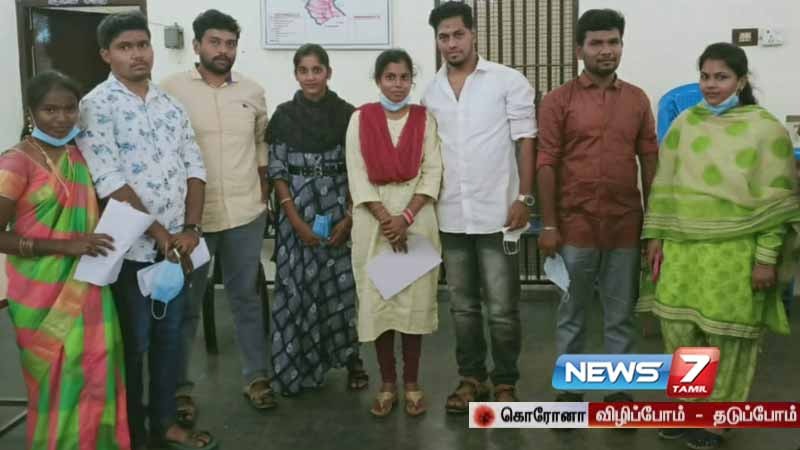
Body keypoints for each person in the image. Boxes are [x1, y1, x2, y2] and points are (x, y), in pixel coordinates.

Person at [644, 42, 800, 449]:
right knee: (681, 331)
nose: (711, 85)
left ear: (741, 81)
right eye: (705, 76)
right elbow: (664, 185)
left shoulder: (765, 130)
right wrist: (656, 237)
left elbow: (778, 204)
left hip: (736, 252)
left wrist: (766, 259)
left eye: (721, 77)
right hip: (683, 249)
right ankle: (688, 409)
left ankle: (718, 421)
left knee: (728, 339)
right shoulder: (685, 124)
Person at [76, 12, 217, 450]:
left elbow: (195, 167)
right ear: (106, 54)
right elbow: (109, 182)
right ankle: (131, 431)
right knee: (134, 344)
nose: (137, 54)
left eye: (142, 44)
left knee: (170, 340)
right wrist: (160, 234)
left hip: (176, 249)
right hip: (130, 252)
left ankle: (165, 422)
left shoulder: (169, 104)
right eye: (125, 47)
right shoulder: (95, 106)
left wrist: (191, 228)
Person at [0, 70, 130, 450]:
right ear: (31, 112)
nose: (60, 118)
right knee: (59, 377)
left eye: (69, 109)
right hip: (39, 292)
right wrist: (65, 246)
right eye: (49, 110)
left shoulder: (81, 156)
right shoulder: (15, 163)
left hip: (89, 280)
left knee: (97, 366)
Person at [536, 9, 658, 404]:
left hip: (625, 225)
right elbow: (546, 163)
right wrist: (549, 225)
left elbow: (650, 163)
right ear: (579, 50)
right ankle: (571, 390)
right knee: (572, 314)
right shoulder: (558, 100)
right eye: (596, 43)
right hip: (575, 226)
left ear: (621, 45)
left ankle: (619, 392)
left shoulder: (637, 99)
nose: (606, 50)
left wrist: (654, 227)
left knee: (620, 315)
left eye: (613, 42)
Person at [160, 9, 275, 420]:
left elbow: (261, 143)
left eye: (230, 43)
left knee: (247, 298)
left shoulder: (253, 91)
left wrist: (263, 190)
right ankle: (179, 390)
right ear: (196, 45)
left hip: (245, 212)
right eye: (215, 42)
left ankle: (256, 377)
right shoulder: (170, 90)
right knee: (187, 305)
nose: (223, 50)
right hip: (194, 220)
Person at [422, 1, 536, 411]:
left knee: (502, 309)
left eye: (458, 34)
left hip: (498, 215)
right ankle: (471, 378)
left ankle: (505, 382)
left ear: (473, 34)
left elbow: (526, 141)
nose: (451, 43)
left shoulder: (507, 81)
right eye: (444, 37)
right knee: (463, 307)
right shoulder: (430, 92)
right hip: (450, 215)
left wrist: (525, 198)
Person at [266, 43, 368, 396]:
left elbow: (358, 170)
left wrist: (349, 218)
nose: (310, 77)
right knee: (297, 290)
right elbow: (277, 171)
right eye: (303, 70)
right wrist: (295, 221)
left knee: (340, 288)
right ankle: (297, 367)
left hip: (339, 211)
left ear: (328, 72)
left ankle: (351, 359)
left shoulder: (348, 115)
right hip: (296, 212)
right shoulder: (283, 116)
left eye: (317, 70)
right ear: (296, 74)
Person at [346, 49, 443, 417]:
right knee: (380, 303)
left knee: (412, 305)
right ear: (378, 80)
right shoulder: (360, 118)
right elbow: (356, 171)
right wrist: (387, 218)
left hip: (416, 219)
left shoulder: (424, 119)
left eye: (404, 77)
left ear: (411, 81)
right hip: (373, 222)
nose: (398, 84)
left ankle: (412, 383)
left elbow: (433, 170)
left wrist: (406, 217)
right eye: (390, 77)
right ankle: (387, 383)